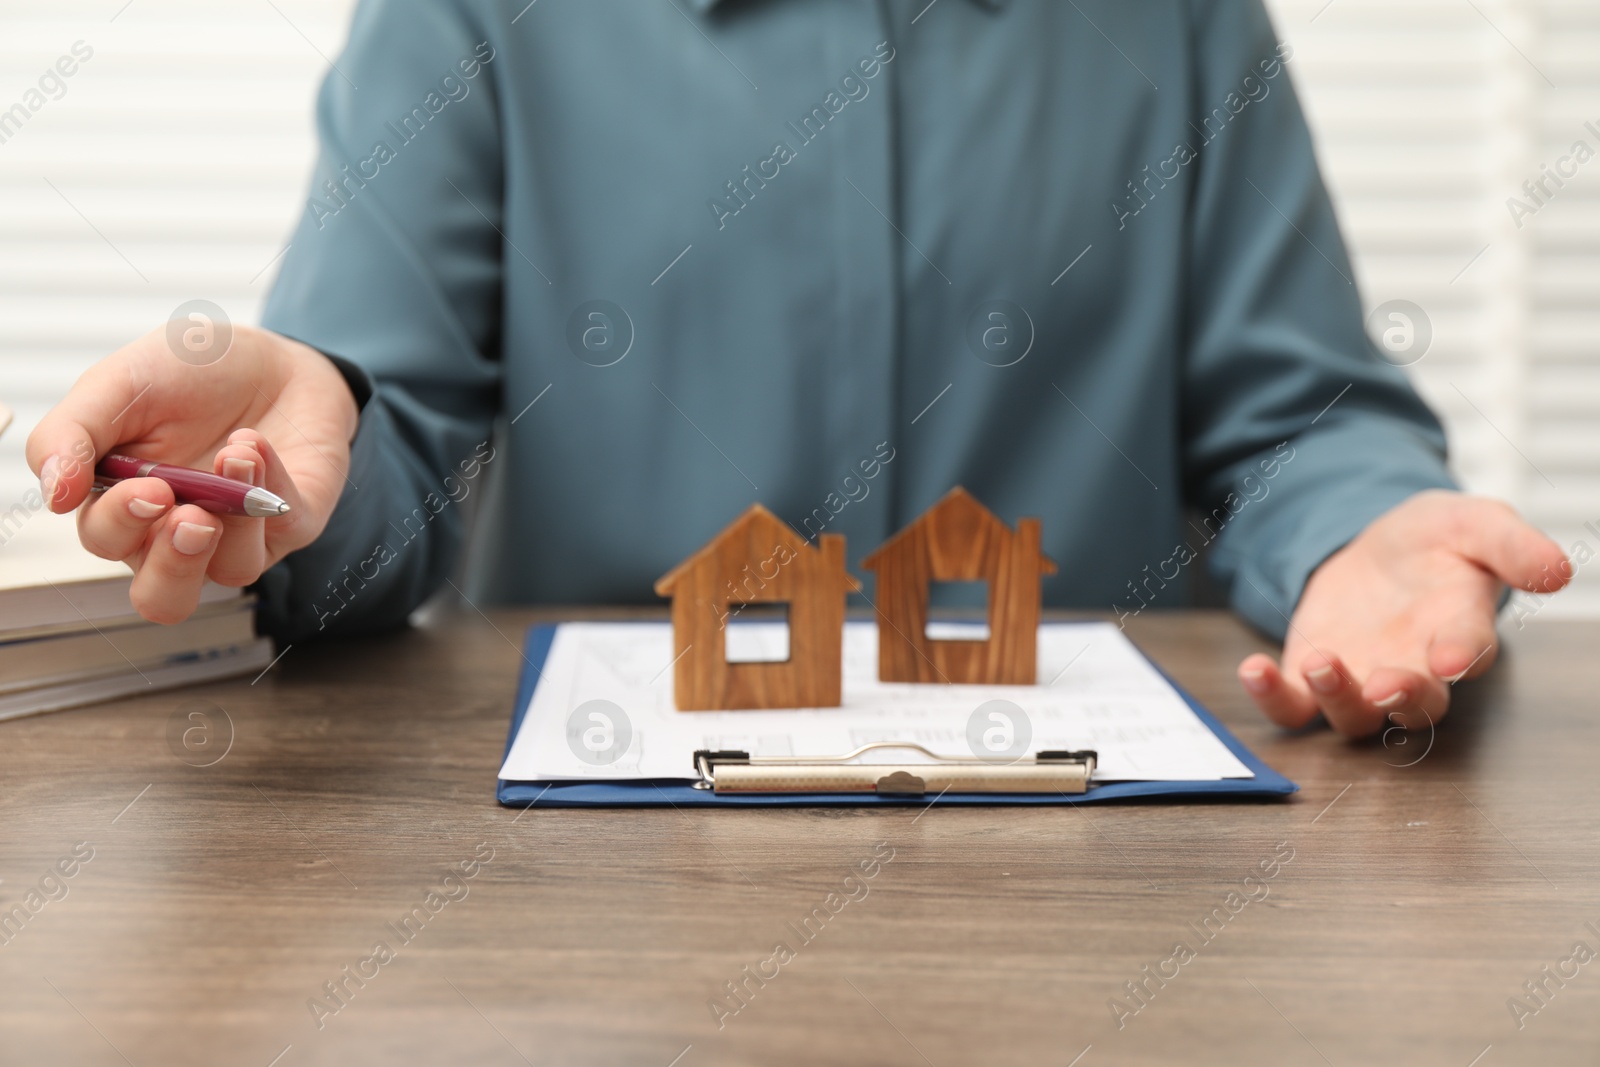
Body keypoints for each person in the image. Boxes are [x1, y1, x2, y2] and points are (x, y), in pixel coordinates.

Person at [26, 0, 1568, 740]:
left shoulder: (1176, 21)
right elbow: (378, 444)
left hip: (1089, 871)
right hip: (576, 882)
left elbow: (1296, 422)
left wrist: (1369, 526)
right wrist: (298, 481)